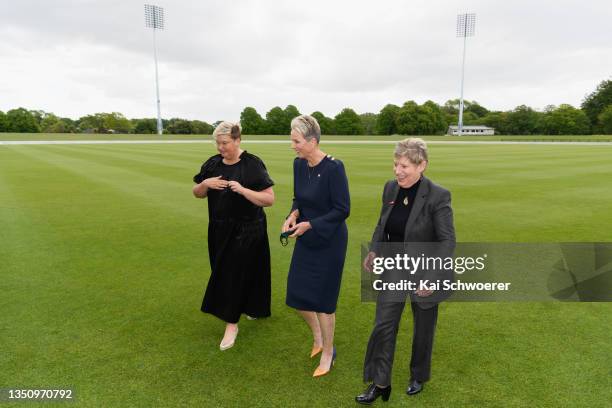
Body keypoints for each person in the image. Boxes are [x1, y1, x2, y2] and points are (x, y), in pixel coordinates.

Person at [356, 138, 455, 404]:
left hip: (426, 271)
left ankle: (418, 376)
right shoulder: (390, 188)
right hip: (394, 268)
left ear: (422, 165)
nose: (397, 171)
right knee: (384, 325)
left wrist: (433, 278)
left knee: (423, 328)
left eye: (404, 166)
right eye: (395, 164)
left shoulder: (438, 195)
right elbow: (382, 223)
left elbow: (447, 241)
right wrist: (375, 249)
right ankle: (380, 383)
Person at [192, 121, 275, 351]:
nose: (220, 147)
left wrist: (243, 190)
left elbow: (269, 199)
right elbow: (197, 193)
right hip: (219, 229)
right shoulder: (212, 164)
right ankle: (254, 308)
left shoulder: (252, 164)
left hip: (249, 230)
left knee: (233, 275)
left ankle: (231, 324)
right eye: (218, 143)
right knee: (230, 271)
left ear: (238, 141)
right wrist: (205, 184)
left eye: (225, 143)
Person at [282, 115, 350, 377]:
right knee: (298, 297)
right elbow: (299, 198)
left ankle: (328, 352)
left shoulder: (334, 168)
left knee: (323, 302)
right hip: (306, 239)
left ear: (312, 141)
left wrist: (310, 225)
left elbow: (343, 209)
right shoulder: (299, 165)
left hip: (329, 241)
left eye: (296, 141)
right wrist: (293, 215)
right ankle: (319, 337)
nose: (293, 146)